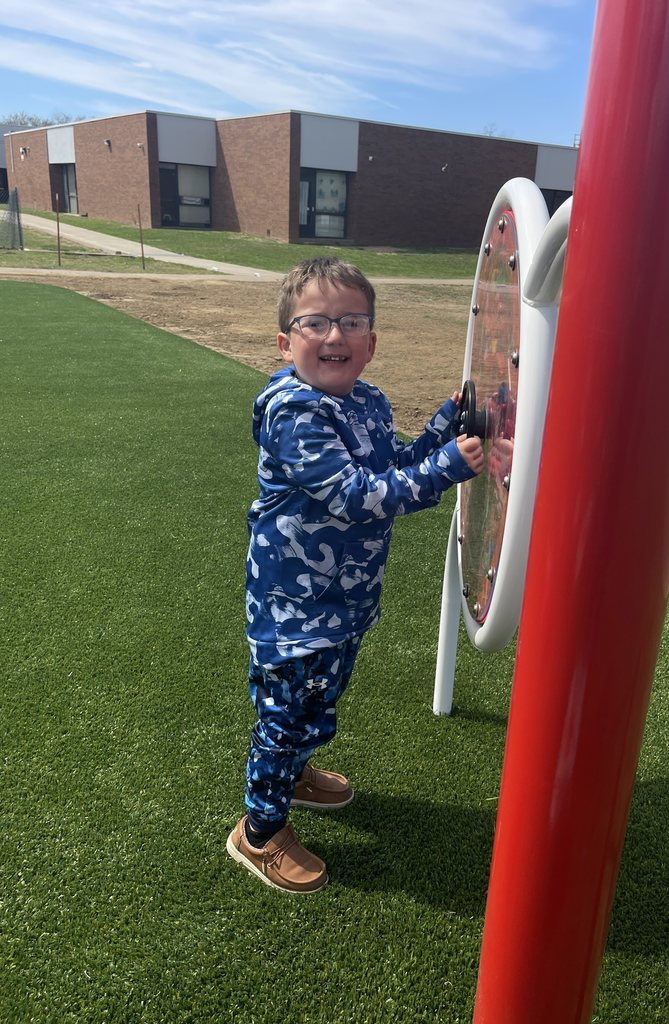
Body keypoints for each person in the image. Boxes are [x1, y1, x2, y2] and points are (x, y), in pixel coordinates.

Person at [227, 256, 484, 893]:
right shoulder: (296, 413)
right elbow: (355, 495)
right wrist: (447, 466)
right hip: (293, 607)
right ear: (287, 343)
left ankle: (297, 773)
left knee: (319, 702)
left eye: (351, 322)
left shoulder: (366, 400)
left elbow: (388, 463)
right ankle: (258, 832)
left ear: (371, 343)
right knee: (284, 716)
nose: (335, 335)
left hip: (344, 598)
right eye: (315, 322)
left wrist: (438, 432)